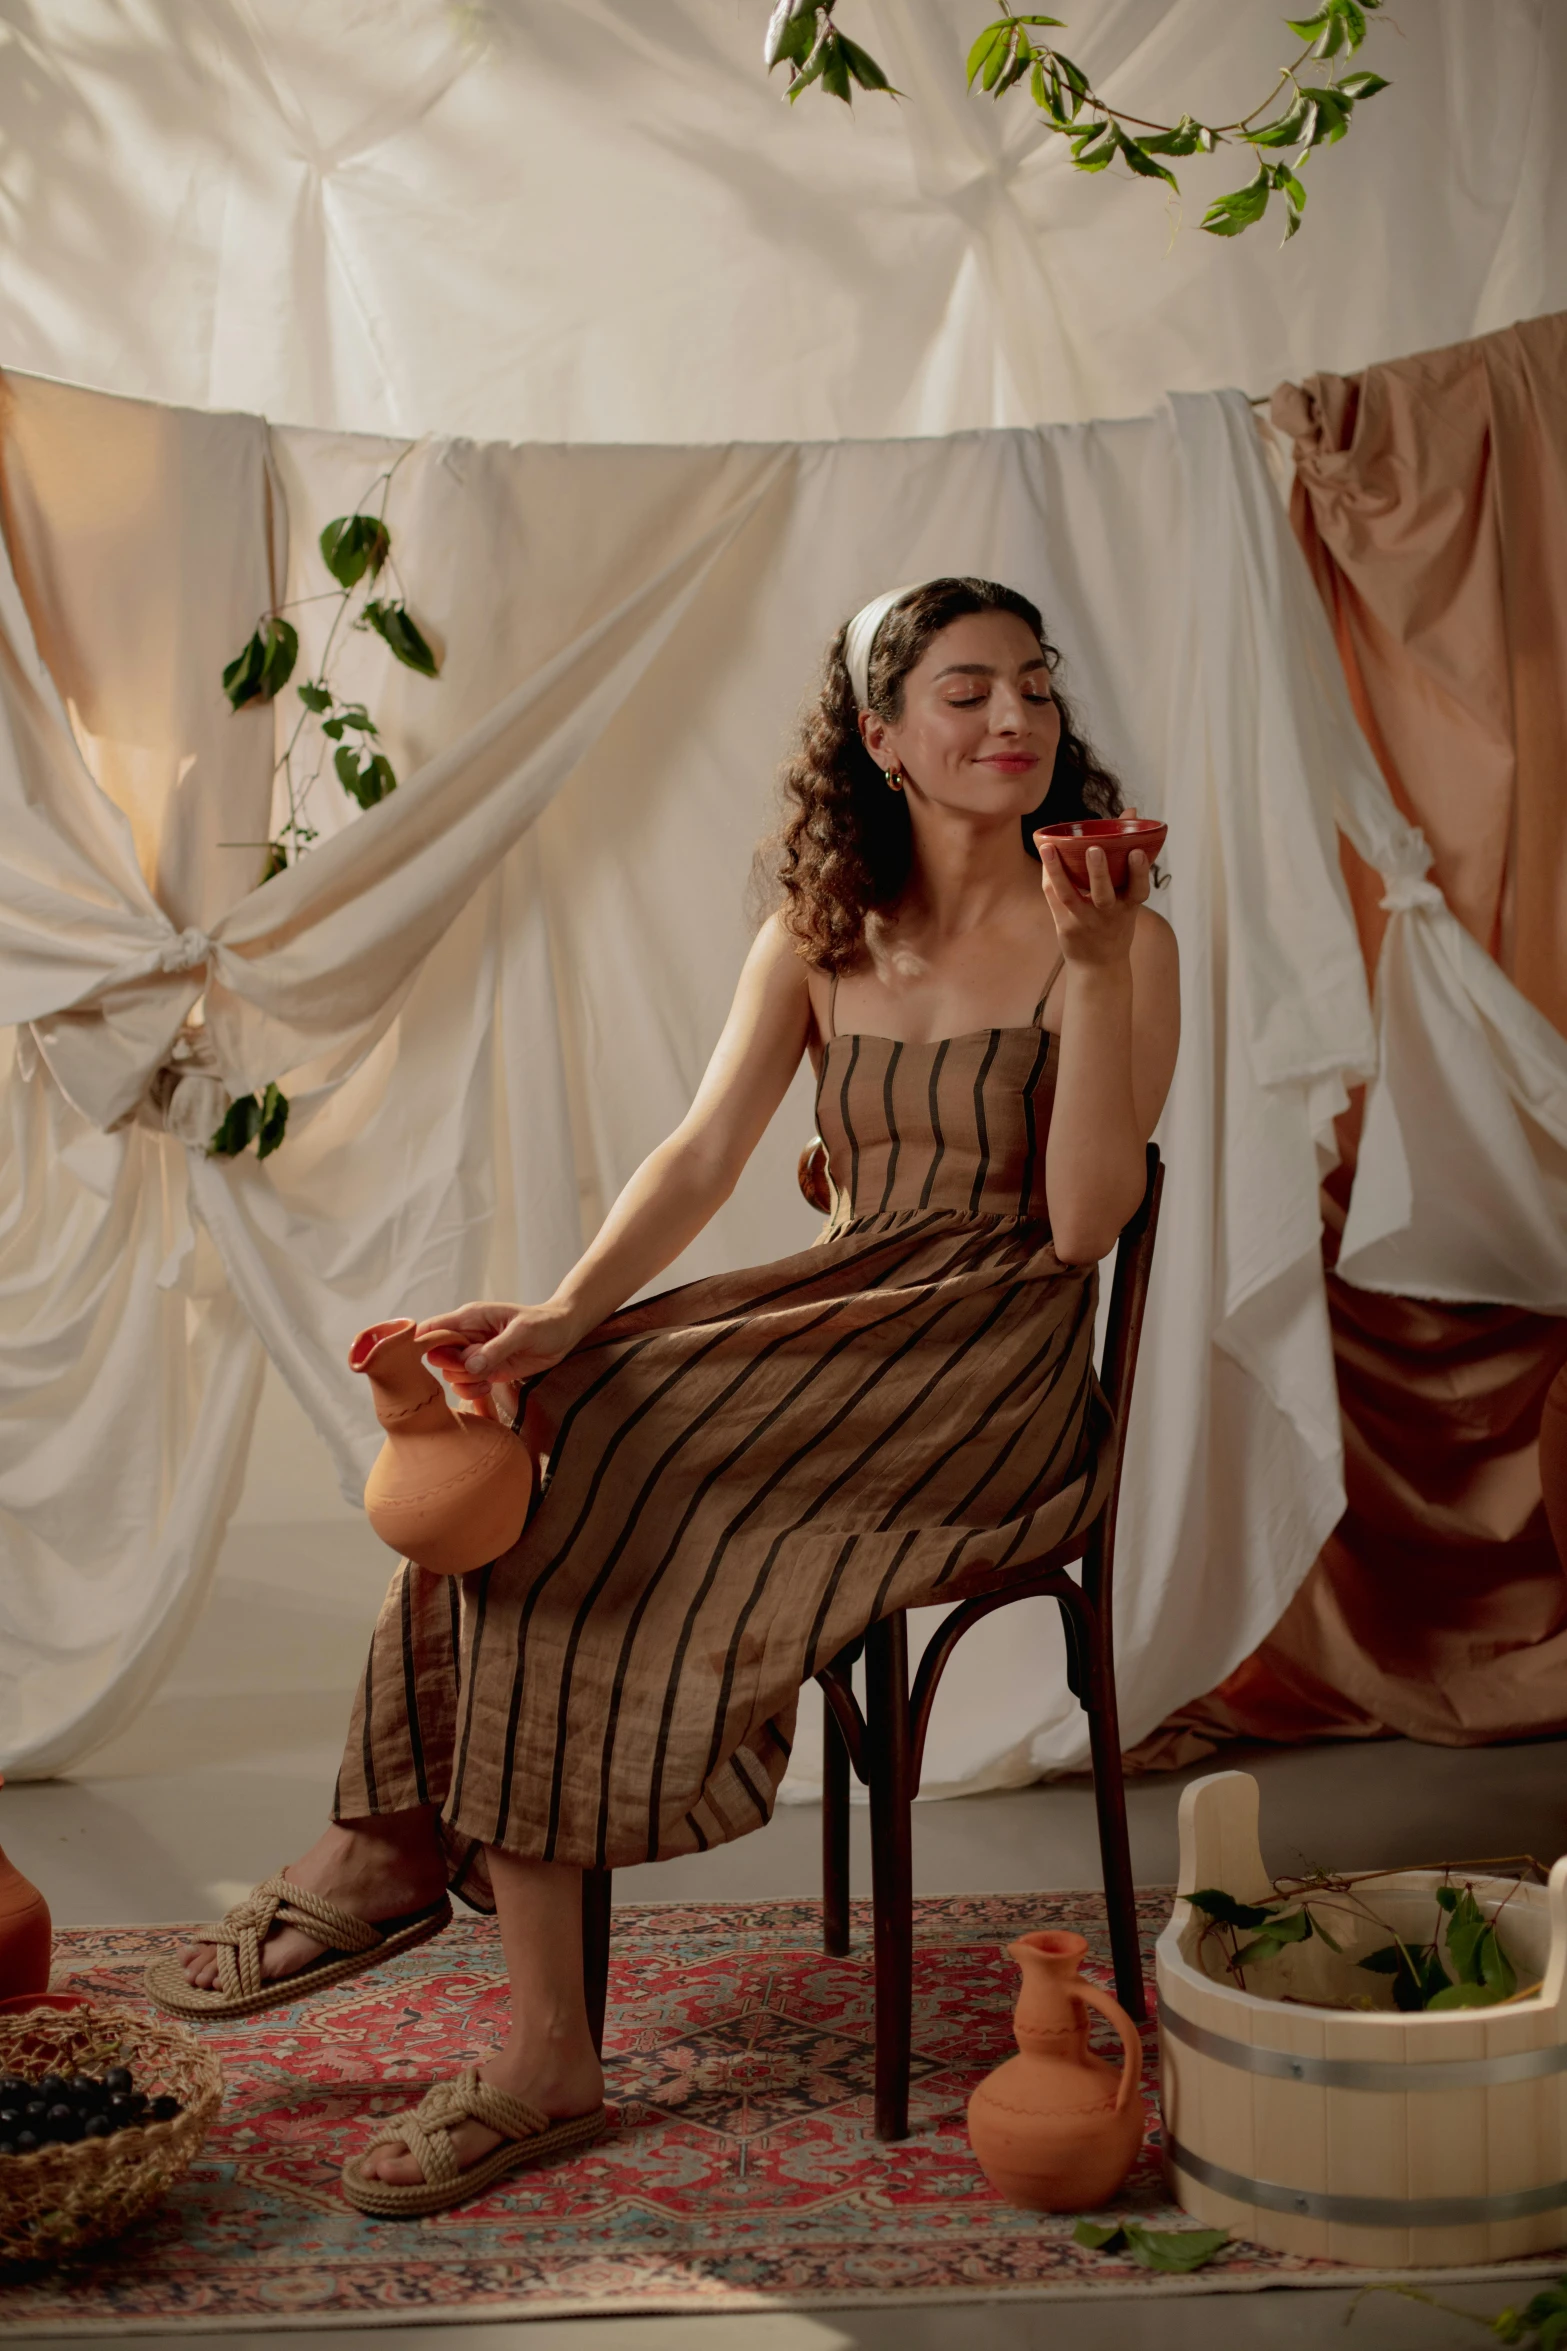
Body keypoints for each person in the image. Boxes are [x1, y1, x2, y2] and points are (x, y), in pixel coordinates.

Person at [147, 576, 1179, 2215]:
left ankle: (430, 1890)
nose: (1016, 721)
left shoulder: (1114, 933)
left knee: (610, 1422)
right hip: (845, 1320)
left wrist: (1102, 961)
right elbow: (700, 1153)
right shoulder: (821, 931)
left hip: (989, 1364)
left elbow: (1076, 1228)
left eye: (1036, 687)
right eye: (970, 690)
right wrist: (562, 1311)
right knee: (546, 1402)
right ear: (880, 734)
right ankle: (427, 1877)